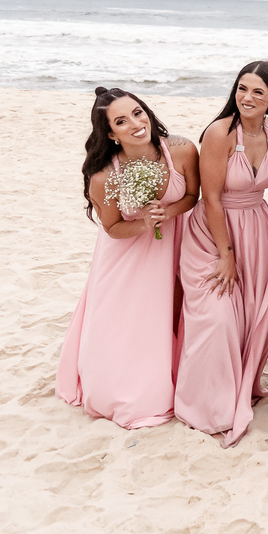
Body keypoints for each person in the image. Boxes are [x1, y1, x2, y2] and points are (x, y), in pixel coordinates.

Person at [174, 61, 268, 448]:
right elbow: (211, 198)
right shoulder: (219, 133)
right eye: (241, 89)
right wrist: (226, 255)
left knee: (253, 314)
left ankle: (241, 383)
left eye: (257, 92)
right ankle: (208, 403)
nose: (247, 98)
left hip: (257, 226)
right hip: (214, 231)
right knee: (219, 317)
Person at [58, 87, 199, 429]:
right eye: (122, 121)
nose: (136, 123)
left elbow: (193, 195)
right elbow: (111, 227)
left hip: (173, 247)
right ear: (111, 134)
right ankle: (122, 387)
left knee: (168, 315)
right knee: (126, 323)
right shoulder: (104, 175)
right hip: (125, 259)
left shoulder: (180, 150)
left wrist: (167, 212)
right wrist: (143, 225)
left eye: (138, 112)